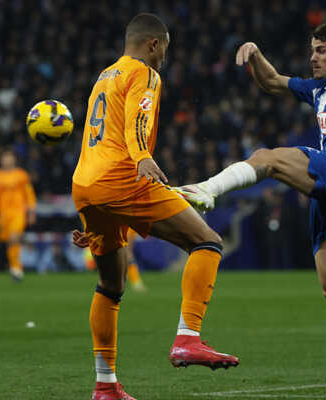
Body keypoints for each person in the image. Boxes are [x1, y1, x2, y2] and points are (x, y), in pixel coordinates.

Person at [175, 22, 326, 388]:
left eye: (321, 50)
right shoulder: (318, 89)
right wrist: (255, 54)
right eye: (312, 50)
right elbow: (272, 81)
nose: (313, 57)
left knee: (268, 158)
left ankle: (207, 190)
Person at [70, 13, 238, 400]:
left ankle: (105, 386)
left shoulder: (104, 75)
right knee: (207, 242)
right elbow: (137, 118)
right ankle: (188, 338)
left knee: (111, 285)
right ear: (154, 44)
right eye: (166, 50)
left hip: (85, 186)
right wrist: (143, 155)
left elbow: (101, 135)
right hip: (123, 177)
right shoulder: (145, 73)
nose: (165, 58)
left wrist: (96, 210)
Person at [0, 149, 36, 281]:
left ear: (14, 159)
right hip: (3, 214)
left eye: (9, 157)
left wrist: (31, 211)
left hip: (18, 212)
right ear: (1, 160)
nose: (7, 160)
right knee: (8, 241)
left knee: (14, 237)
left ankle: (16, 268)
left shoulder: (22, 175)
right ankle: (14, 266)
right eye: (5, 158)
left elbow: (29, 193)